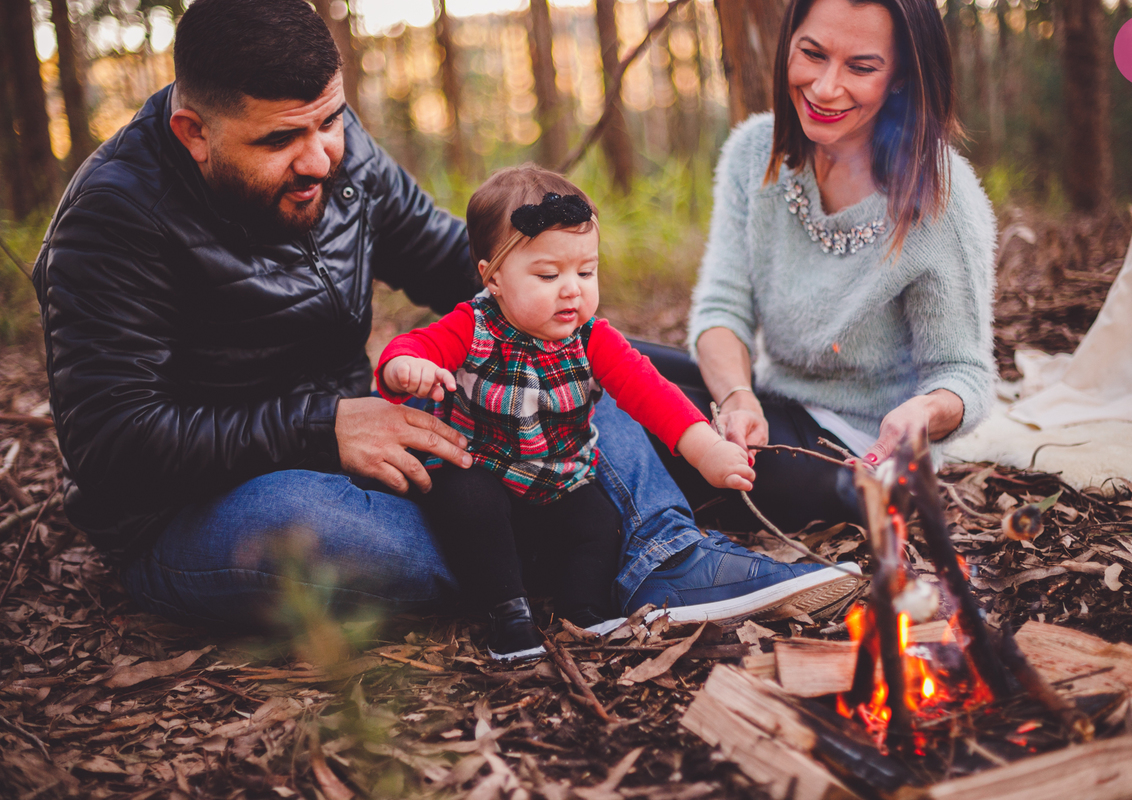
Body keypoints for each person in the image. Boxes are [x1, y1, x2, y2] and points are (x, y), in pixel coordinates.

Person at [32, 0, 861, 636]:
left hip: (379, 432)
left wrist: (570, 297)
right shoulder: (113, 221)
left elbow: (457, 268)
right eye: (285, 139)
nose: (323, 155)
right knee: (329, 535)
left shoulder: (337, 148)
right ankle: (579, 538)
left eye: (331, 120)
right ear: (193, 132)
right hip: (203, 509)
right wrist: (321, 426)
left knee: (556, 344)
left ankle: (666, 556)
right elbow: (114, 449)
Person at [378, 166, 774, 659]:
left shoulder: (592, 339)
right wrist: (406, 368)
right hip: (483, 470)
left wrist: (708, 449)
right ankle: (508, 615)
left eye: (586, 272)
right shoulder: (472, 325)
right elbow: (414, 345)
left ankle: (582, 613)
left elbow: (653, 395)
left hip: (558, 480)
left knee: (597, 521)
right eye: (548, 275)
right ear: (493, 277)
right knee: (470, 505)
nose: (572, 289)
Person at [658, 0, 996, 532]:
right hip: (770, 403)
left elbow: (965, 375)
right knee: (595, 364)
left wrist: (925, 413)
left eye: (861, 67)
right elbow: (722, 308)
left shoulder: (940, 199)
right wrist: (737, 396)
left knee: (652, 434)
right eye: (812, 54)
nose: (824, 87)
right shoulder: (755, 153)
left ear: (902, 78)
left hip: (858, 457)